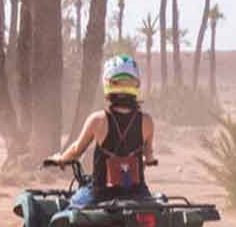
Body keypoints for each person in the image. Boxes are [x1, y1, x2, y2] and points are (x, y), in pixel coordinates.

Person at [47, 55, 155, 207]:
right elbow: (149, 155)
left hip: (101, 195)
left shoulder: (98, 120)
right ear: (136, 84)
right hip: (137, 195)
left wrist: (61, 159)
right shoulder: (147, 121)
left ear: (107, 83)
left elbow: (77, 150)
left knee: (68, 206)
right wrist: (147, 160)